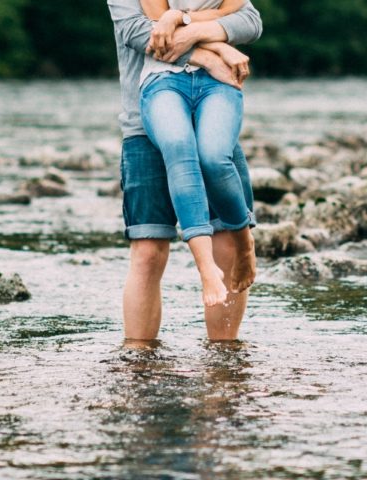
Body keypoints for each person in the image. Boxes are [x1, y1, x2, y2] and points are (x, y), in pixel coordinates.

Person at [107, 0, 263, 341]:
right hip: (143, 126)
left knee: (227, 244)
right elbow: (140, 33)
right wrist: (212, 52)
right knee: (148, 251)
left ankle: (224, 364)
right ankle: (140, 361)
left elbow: (249, 20)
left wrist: (186, 23)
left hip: (210, 114)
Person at [139, 0, 257, 308]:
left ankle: (245, 243)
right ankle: (206, 270)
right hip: (163, 77)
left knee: (215, 157)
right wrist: (219, 47)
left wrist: (180, 16)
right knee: (179, 147)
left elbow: (242, 18)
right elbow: (157, 28)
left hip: (219, 82)